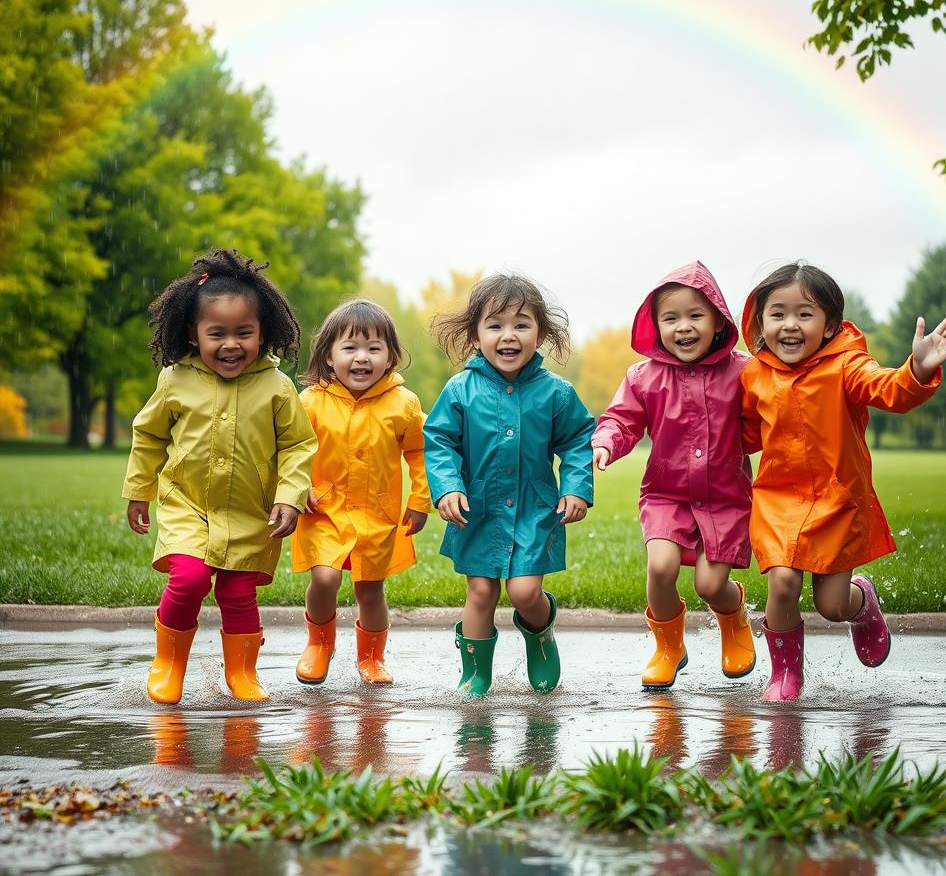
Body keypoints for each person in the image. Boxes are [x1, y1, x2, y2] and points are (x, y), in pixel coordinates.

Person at [740, 261, 946, 702]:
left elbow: (890, 390)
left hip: (836, 500)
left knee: (830, 606)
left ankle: (861, 603)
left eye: (805, 314)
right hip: (777, 500)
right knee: (783, 583)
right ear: (760, 322)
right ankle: (785, 676)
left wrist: (916, 370)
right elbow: (745, 432)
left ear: (828, 326)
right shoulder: (753, 375)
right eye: (778, 313)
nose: (790, 324)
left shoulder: (847, 365)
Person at [123, 249, 317, 704]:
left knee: (237, 590)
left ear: (263, 332)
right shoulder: (175, 380)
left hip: (250, 511)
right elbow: (149, 435)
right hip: (187, 502)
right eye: (217, 334)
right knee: (189, 578)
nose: (231, 344)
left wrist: (290, 496)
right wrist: (138, 490)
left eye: (243, 333)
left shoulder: (276, 386)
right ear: (193, 334)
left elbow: (298, 445)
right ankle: (169, 663)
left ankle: (243, 673)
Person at [424, 273, 594, 696]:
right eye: (494, 325)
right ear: (474, 334)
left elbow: (577, 440)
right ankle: (476, 672)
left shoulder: (555, 392)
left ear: (541, 332)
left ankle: (540, 633)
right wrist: (447, 487)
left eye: (521, 324)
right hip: (477, 507)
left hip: (534, 509)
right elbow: (440, 439)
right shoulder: (460, 389)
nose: (508, 336)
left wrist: (575, 487)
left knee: (523, 591)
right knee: (480, 590)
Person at [592, 262, 756, 690]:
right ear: (656, 325)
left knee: (709, 584)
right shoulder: (644, 376)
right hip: (666, 494)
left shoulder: (744, 372)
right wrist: (607, 441)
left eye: (695, 316)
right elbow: (621, 419)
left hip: (725, 497)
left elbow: (768, 417)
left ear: (718, 320)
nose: (683, 327)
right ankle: (669, 647)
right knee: (661, 568)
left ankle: (734, 614)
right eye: (671, 318)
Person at [291, 298, 430, 686]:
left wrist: (420, 499)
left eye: (373, 348)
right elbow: (292, 449)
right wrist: (299, 485)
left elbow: (420, 452)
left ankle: (371, 658)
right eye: (349, 348)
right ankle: (319, 645)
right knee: (325, 579)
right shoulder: (311, 402)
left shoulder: (402, 403)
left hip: (377, 513)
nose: (361, 358)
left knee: (370, 590)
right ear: (329, 355)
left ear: (390, 357)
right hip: (323, 508)